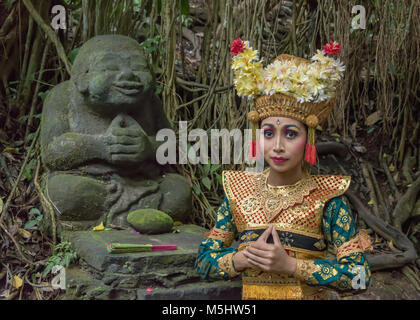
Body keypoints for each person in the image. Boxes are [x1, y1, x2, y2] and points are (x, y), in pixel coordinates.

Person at [194, 39, 372, 300]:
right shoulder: (238, 191)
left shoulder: (329, 200)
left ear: (308, 138)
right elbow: (203, 262)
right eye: (268, 133)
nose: (277, 146)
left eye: (290, 134)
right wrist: (241, 259)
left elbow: (360, 277)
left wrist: (290, 266)